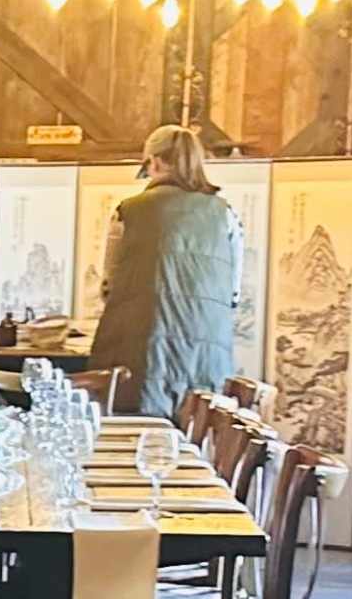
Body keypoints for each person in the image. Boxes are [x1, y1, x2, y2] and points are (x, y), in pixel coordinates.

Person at [84, 124, 245, 416]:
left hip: (140, 349)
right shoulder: (225, 215)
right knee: (196, 430)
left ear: (155, 162)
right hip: (204, 354)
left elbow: (110, 285)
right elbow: (233, 294)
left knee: (133, 430)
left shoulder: (128, 211)